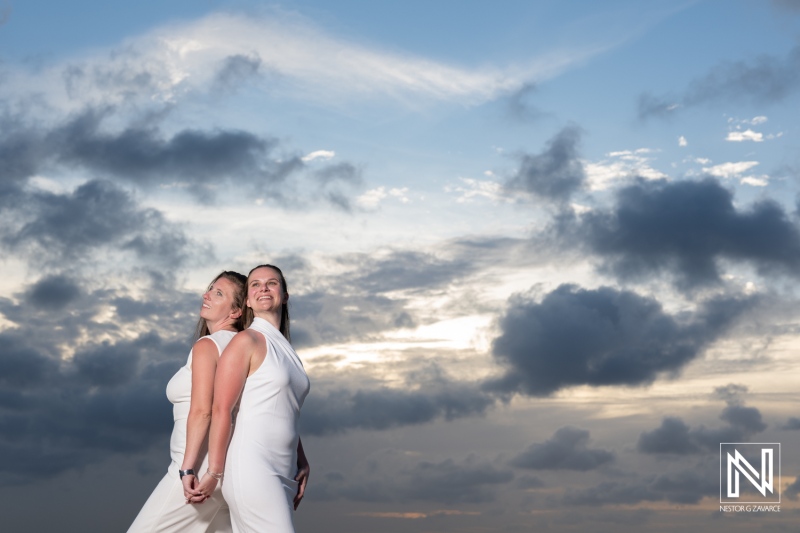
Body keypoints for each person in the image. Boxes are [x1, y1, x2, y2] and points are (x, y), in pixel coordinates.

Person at [128, 271, 247, 533]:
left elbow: (203, 411)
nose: (206, 295)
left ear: (237, 310)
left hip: (198, 472)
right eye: (210, 289)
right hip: (229, 471)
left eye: (219, 293)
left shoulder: (208, 346)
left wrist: (186, 470)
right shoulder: (248, 348)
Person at [196, 264, 310, 533]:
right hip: (252, 465)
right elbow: (222, 409)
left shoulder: (286, 350)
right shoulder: (246, 341)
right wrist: (215, 472)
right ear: (247, 300)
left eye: (272, 283)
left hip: (283, 468)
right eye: (255, 284)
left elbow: (286, 409)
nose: (264, 288)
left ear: (284, 294)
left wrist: (301, 458)